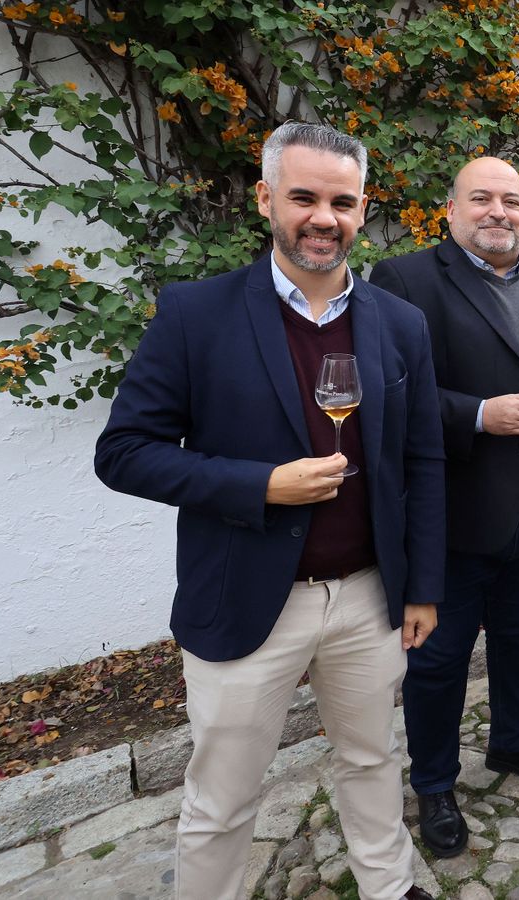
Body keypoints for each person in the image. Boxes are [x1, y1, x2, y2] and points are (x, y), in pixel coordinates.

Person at [94, 122, 441, 900]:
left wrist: (422, 586)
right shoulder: (195, 314)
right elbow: (122, 452)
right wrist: (260, 485)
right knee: (223, 795)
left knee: (374, 758)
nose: (325, 217)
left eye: (343, 202)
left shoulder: (399, 323)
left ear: (362, 210)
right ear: (265, 200)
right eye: (305, 197)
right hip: (250, 598)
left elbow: (422, 461)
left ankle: (388, 886)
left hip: (366, 595)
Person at [368, 157, 519, 857]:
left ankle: (512, 742)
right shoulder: (406, 281)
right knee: (438, 663)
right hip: (454, 519)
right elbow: (388, 394)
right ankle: (434, 782)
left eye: (512, 200)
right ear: (450, 210)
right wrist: (475, 415)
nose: (499, 211)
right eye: (482, 199)